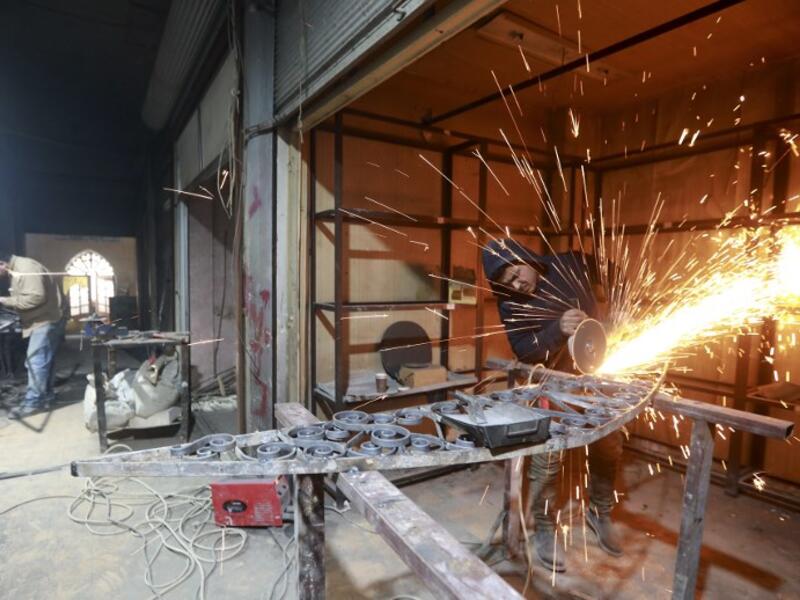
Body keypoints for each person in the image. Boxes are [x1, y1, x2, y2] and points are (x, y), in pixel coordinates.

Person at [482, 238, 623, 572]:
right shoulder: (511, 303)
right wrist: (557, 329)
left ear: (526, 259)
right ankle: (545, 529)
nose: (517, 285)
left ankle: (599, 512)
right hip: (555, 383)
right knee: (548, 459)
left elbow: (614, 271)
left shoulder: (569, 263)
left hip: (598, 371)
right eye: (508, 283)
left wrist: (618, 309)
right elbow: (524, 350)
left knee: (610, 447)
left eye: (517, 273)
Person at [0, 249, 66, 418]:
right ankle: (47, 397)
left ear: (2, 263)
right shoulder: (17, 269)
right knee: (45, 360)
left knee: (35, 361)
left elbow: (36, 297)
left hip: (45, 320)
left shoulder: (24, 267)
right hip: (44, 319)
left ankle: (33, 403)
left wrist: (4, 300)